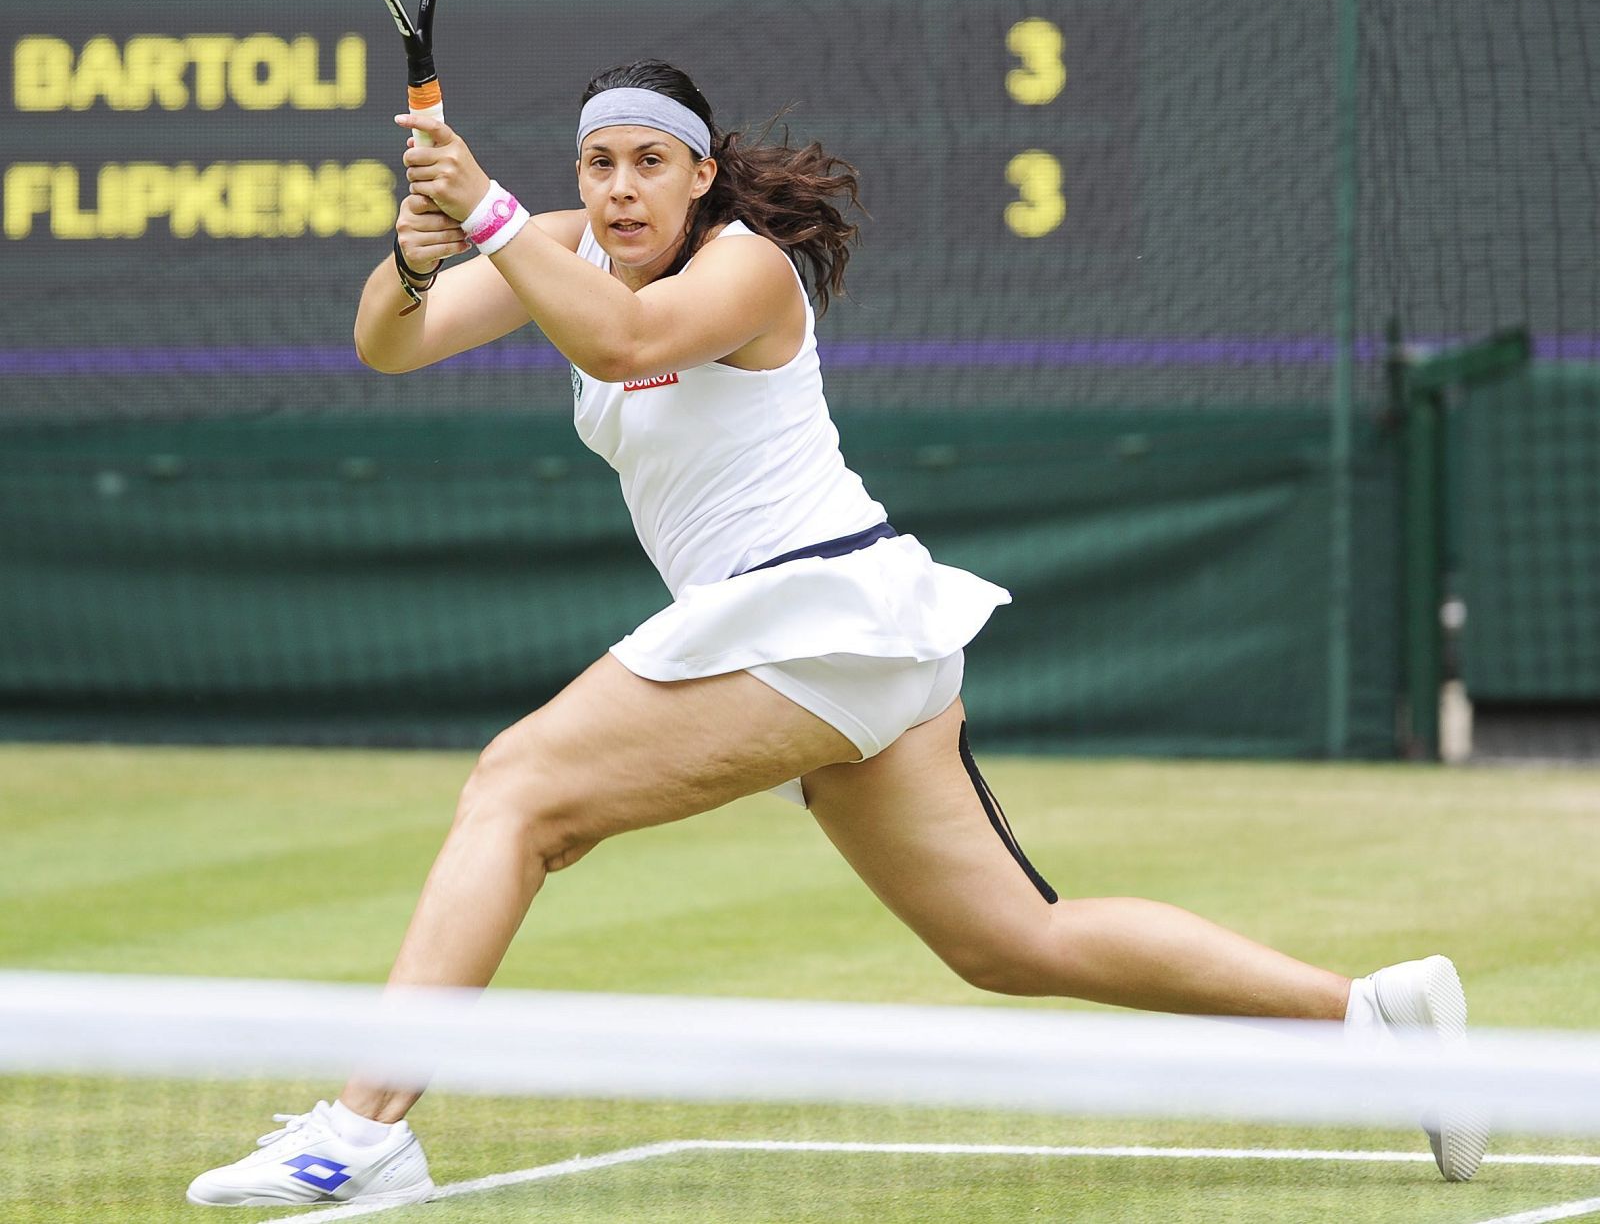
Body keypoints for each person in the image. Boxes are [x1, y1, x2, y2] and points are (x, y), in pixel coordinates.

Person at [187, 60, 1485, 1207]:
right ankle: (1370, 1018)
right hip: (846, 644)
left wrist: (485, 212)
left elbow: (625, 339)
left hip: (817, 611)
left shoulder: (743, 265)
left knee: (519, 790)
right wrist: (419, 255)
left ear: (703, 174)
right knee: (1010, 943)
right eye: (600, 163)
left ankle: (364, 1132)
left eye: (651, 162)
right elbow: (394, 344)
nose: (623, 188)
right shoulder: (561, 246)